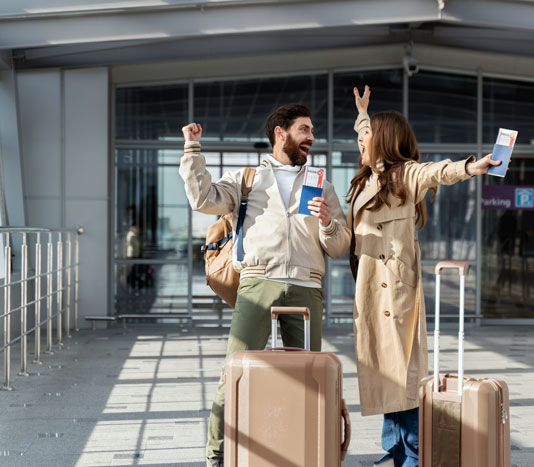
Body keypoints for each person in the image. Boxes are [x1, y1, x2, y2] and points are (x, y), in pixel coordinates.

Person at [179, 103, 351, 467]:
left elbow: (339, 246)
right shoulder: (248, 179)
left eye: (312, 131)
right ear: (280, 133)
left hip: (306, 287)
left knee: (309, 381)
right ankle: (217, 455)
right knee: (235, 372)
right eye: (304, 129)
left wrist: (327, 223)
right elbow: (203, 199)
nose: (311, 137)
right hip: (257, 284)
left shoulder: (321, 183)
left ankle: (304, 451)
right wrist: (193, 150)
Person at [347, 86, 504, 467]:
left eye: (366, 136)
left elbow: (438, 172)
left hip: (394, 292)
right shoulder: (367, 179)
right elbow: (365, 135)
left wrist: (471, 167)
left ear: (383, 142)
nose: (360, 141)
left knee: (401, 375)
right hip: (369, 289)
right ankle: (395, 449)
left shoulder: (405, 176)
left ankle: (415, 454)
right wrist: (363, 115)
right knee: (385, 372)